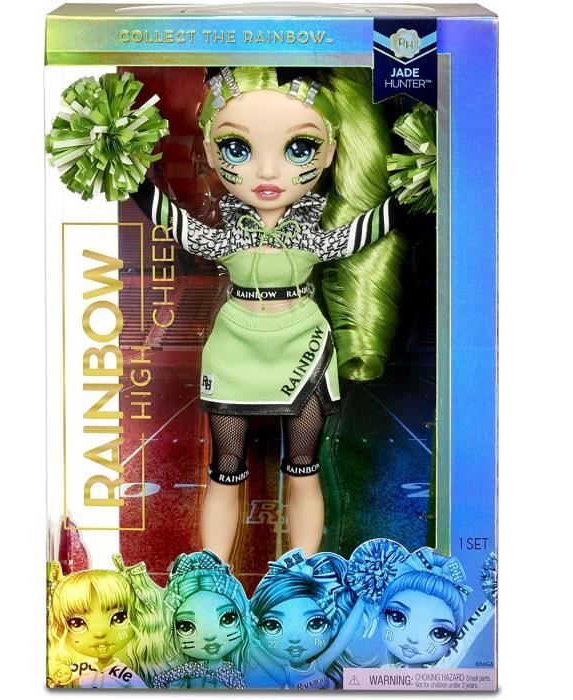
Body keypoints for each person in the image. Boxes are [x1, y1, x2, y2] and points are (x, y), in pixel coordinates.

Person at [131, 66, 406, 562]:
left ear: (331, 151)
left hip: (302, 342)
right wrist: (130, 175)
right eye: (237, 148)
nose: (267, 172)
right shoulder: (224, 235)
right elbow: (177, 223)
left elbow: (357, 234)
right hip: (234, 345)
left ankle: (301, 574)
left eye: (299, 149)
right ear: (210, 151)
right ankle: (213, 574)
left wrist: (415, 185)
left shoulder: (313, 235)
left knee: (303, 467)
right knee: (224, 468)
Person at [247, 549, 366, 689]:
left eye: (315, 624)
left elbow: (344, 636)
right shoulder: (283, 674)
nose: (295, 639)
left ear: (333, 626)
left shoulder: (318, 666)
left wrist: (364, 596)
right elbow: (254, 646)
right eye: (273, 626)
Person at [46, 555, 165, 687]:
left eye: (119, 618)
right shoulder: (78, 669)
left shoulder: (126, 674)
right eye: (77, 623)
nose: (100, 633)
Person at [152, 550, 249, 688]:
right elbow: (159, 681)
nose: (210, 636)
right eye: (186, 627)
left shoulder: (234, 676)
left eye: (227, 619)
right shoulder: (190, 669)